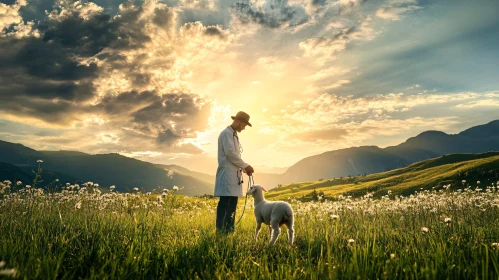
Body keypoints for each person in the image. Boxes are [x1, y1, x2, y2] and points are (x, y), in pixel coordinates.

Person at [214, 111, 255, 234]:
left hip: (234, 176)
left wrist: (243, 169)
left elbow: (234, 156)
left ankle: (229, 231)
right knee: (225, 204)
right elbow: (230, 153)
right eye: (244, 125)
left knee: (232, 206)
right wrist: (245, 165)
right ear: (238, 121)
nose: (244, 127)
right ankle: (221, 231)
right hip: (227, 176)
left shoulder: (234, 135)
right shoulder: (226, 134)